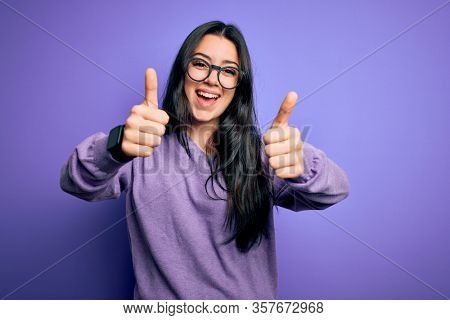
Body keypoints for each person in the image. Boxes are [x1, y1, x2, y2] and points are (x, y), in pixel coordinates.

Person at [60, 21, 350, 299]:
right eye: (200, 64)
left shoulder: (262, 155)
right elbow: (75, 182)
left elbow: (335, 190)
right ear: (183, 72)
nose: (212, 78)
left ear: (239, 85)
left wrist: (300, 162)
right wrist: (117, 146)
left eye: (228, 71)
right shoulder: (141, 146)